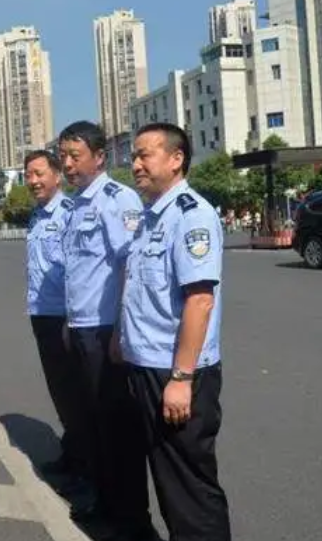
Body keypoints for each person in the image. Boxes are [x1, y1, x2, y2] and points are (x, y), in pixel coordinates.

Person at [120, 122, 231, 541]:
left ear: (176, 158)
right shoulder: (152, 216)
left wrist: (181, 378)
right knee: (169, 482)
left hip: (177, 371)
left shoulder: (191, 215)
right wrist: (121, 340)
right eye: (134, 156)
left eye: (144, 154)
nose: (135, 164)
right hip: (147, 363)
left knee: (190, 487)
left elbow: (199, 301)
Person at [58, 120, 152, 539]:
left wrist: (120, 330)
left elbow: (131, 265)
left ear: (99, 157)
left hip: (106, 332)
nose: (67, 164)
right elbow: (79, 272)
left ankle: (133, 519)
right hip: (80, 328)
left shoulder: (118, 199)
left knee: (118, 429)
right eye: (63, 156)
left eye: (75, 156)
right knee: (93, 422)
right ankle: (105, 500)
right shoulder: (77, 204)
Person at [23, 150, 85, 479]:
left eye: (38, 173)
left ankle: (87, 468)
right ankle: (74, 455)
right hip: (41, 314)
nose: (33, 181)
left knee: (76, 394)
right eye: (28, 175)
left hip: (66, 317)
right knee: (60, 391)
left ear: (57, 175)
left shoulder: (69, 213)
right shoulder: (36, 216)